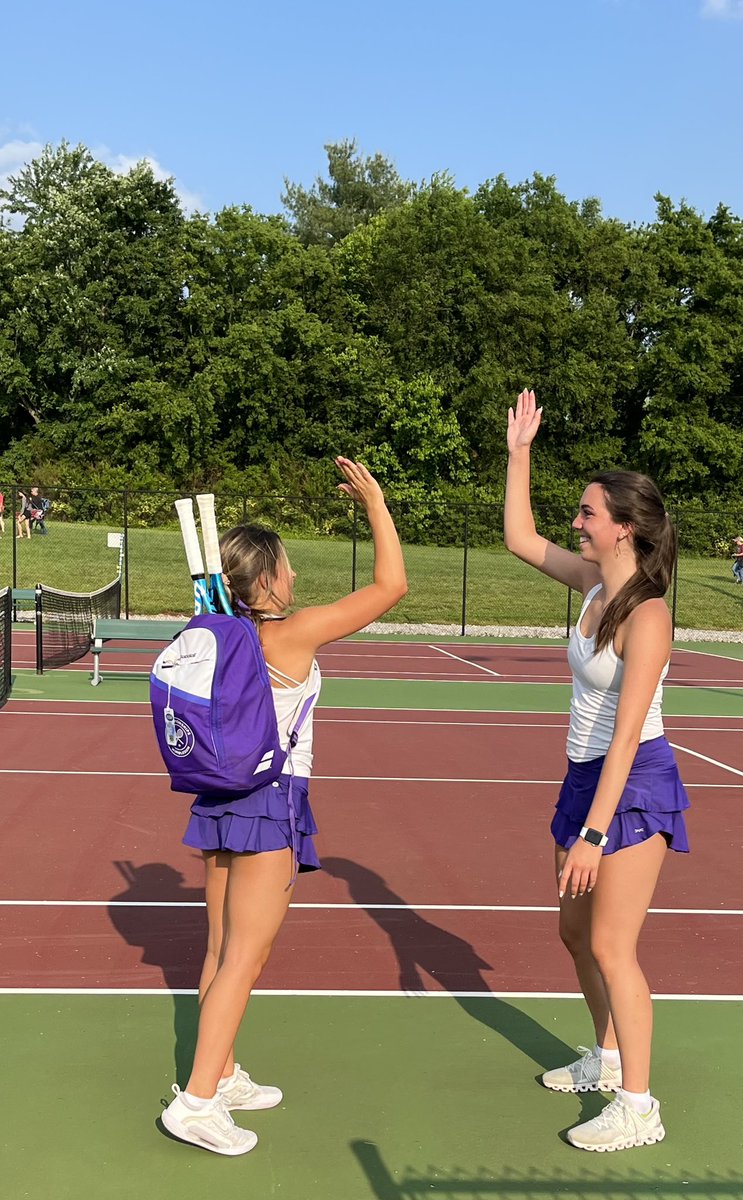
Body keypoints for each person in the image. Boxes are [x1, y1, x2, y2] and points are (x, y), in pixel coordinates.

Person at [160, 457, 407, 1156]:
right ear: (266, 580)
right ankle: (199, 1101)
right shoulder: (290, 633)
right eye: (289, 567)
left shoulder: (216, 633)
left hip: (218, 796)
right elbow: (392, 585)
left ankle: (223, 1070)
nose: (297, 576)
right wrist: (376, 504)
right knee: (247, 956)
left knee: (219, 948)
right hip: (270, 799)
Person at [504, 389, 689, 1154]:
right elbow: (519, 537)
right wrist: (519, 453)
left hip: (633, 782)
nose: (574, 521)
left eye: (585, 513)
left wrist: (592, 832)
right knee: (573, 932)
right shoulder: (590, 588)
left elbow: (623, 740)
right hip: (584, 775)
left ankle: (639, 1106)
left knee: (615, 946)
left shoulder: (648, 615)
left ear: (624, 528)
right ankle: (607, 1057)